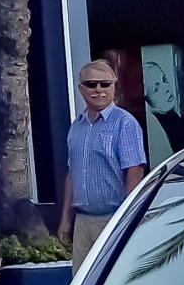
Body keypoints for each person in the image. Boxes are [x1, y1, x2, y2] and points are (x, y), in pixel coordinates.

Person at [58, 58, 146, 263]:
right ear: (81, 88)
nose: (98, 89)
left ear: (114, 86)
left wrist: (126, 218)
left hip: (112, 218)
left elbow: (135, 170)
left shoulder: (125, 123)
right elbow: (72, 174)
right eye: (91, 84)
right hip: (82, 221)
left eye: (105, 83)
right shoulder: (76, 126)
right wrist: (65, 220)